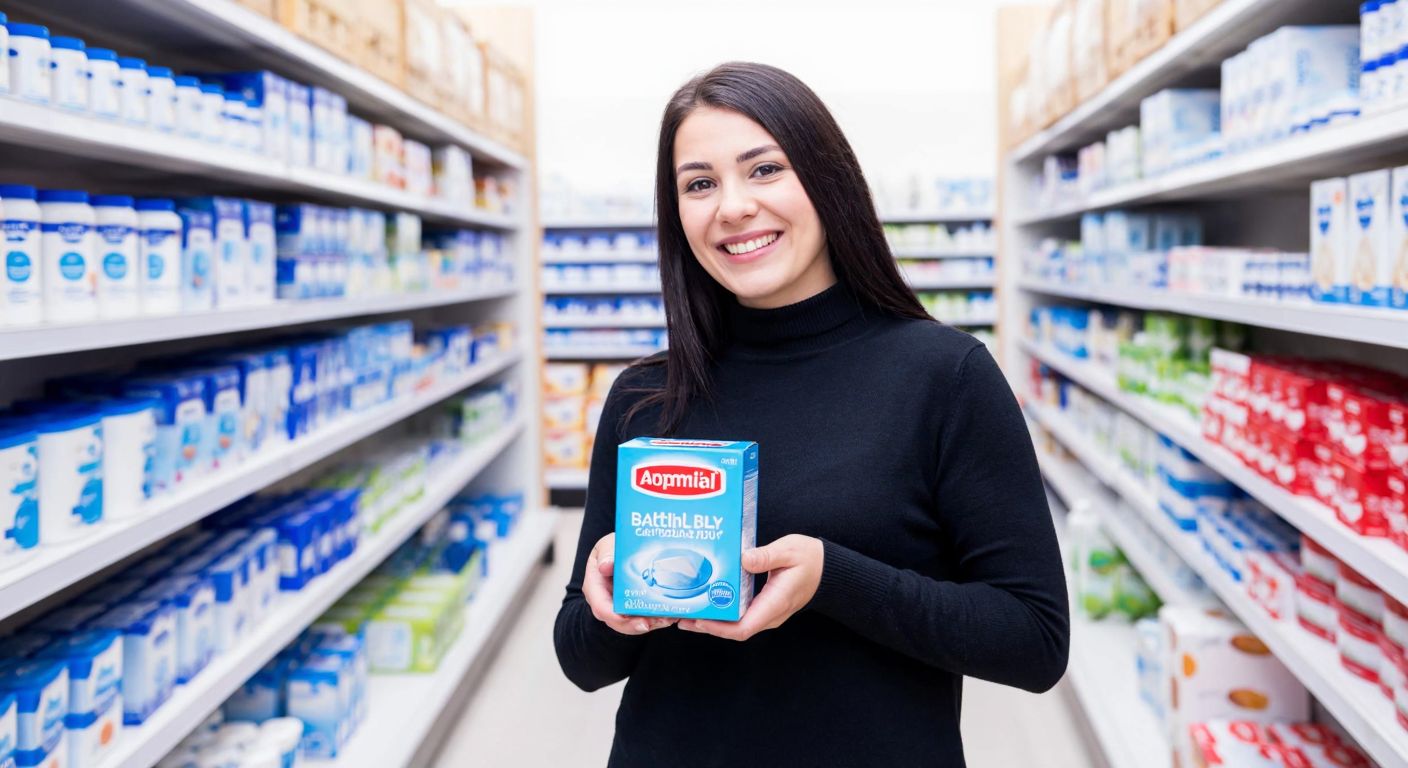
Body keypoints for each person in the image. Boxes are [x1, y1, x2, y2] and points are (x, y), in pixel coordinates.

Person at [553, 61, 1068, 767]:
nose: (732, 206)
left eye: (764, 170)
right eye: (699, 184)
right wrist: (614, 607)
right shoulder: (646, 395)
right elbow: (580, 658)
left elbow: (1034, 641)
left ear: (827, 179)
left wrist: (831, 576)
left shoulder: (943, 376)